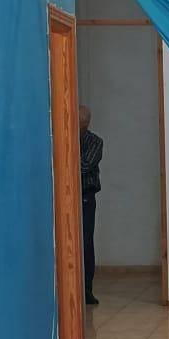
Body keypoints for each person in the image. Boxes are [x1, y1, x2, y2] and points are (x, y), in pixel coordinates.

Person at [79, 104, 103, 306]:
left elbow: (85, 166)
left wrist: (65, 161)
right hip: (66, 198)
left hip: (86, 197)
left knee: (86, 242)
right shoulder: (62, 138)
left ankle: (87, 289)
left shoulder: (95, 142)